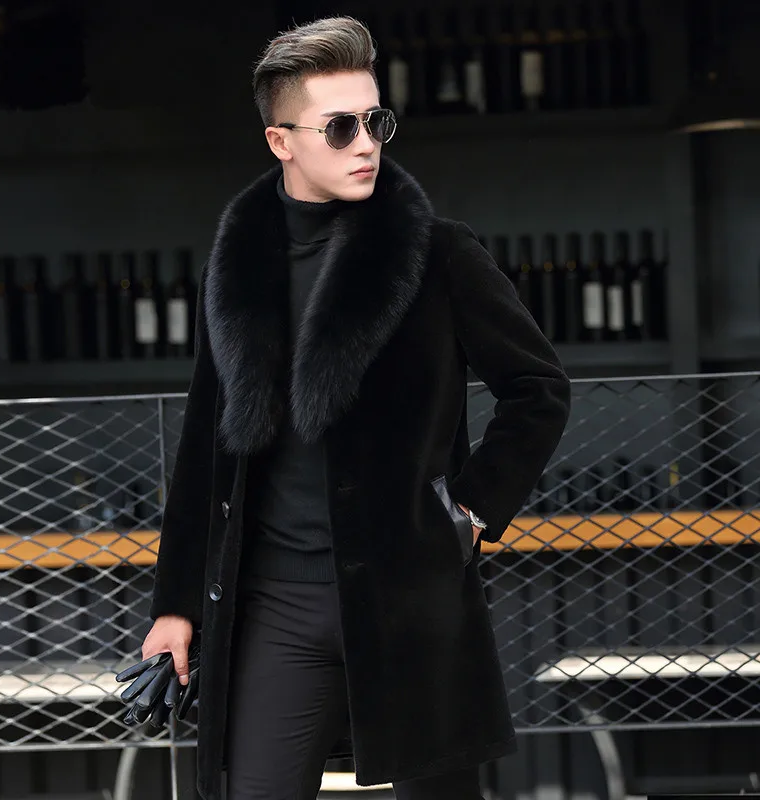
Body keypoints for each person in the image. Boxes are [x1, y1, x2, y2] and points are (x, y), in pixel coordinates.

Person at [141, 15, 571, 800]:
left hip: (409, 595)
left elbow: (537, 388)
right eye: (340, 127)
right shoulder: (236, 267)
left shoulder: (438, 254)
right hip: (273, 604)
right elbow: (207, 441)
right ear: (281, 141)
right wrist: (175, 605)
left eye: (377, 121)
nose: (366, 143)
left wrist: (470, 511)